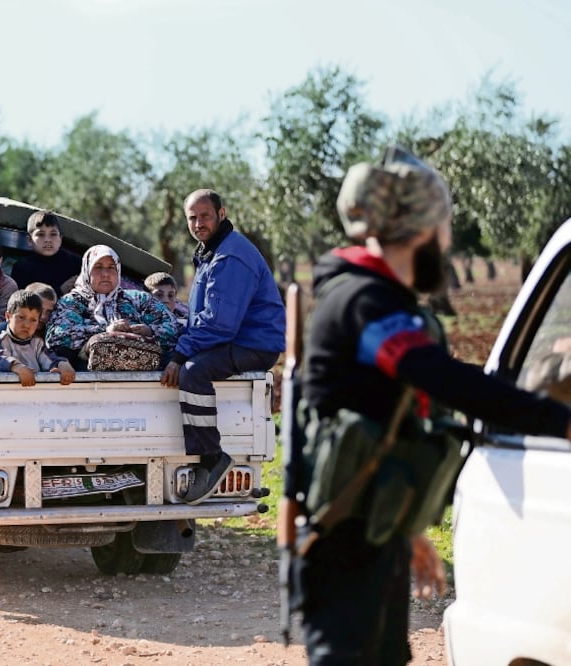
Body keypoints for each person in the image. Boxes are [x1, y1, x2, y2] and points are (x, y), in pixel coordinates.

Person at [294, 146, 571, 665]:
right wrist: (561, 421)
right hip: (344, 539)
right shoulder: (363, 303)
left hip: (371, 529)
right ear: (421, 230)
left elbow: (386, 422)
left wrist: (409, 530)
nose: (447, 242)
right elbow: (443, 379)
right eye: (444, 228)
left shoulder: (374, 298)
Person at [160, 189, 286, 505]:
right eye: (192, 218)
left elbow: (220, 323)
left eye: (205, 216)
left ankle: (211, 458)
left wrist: (181, 353)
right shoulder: (211, 251)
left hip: (254, 344)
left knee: (193, 371)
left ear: (221, 214)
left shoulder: (230, 257)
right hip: (235, 338)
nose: (198, 223)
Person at [45, 244, 178, 370]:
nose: (105, 274)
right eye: (98, 267)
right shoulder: (71, 302)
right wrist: (106, 331)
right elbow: (57, 337)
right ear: (87, 270)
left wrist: (150, 330)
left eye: (111, 267)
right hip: (87, 379)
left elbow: (173, 326)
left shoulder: (139, 299)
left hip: (145, 379)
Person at [0, 289, 76, 386]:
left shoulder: (38, 343)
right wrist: (16, 367)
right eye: (21, 317)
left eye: (33, 320)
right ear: (8, 316)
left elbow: (49, 358)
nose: (27, 325)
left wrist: (62, 364)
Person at [10, 210, 80, 295]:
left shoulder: (76, 263)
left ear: (60, 239)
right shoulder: (22, 268)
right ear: (29, 240)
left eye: (53, 234)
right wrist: (60, 291)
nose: (47, 240)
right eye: (41, 234)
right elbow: (21, 300)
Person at [0, 281, 58, 345]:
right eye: (40, 309)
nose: (43, 316)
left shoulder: (49, 333)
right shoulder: (7, 328)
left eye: (49, 312)